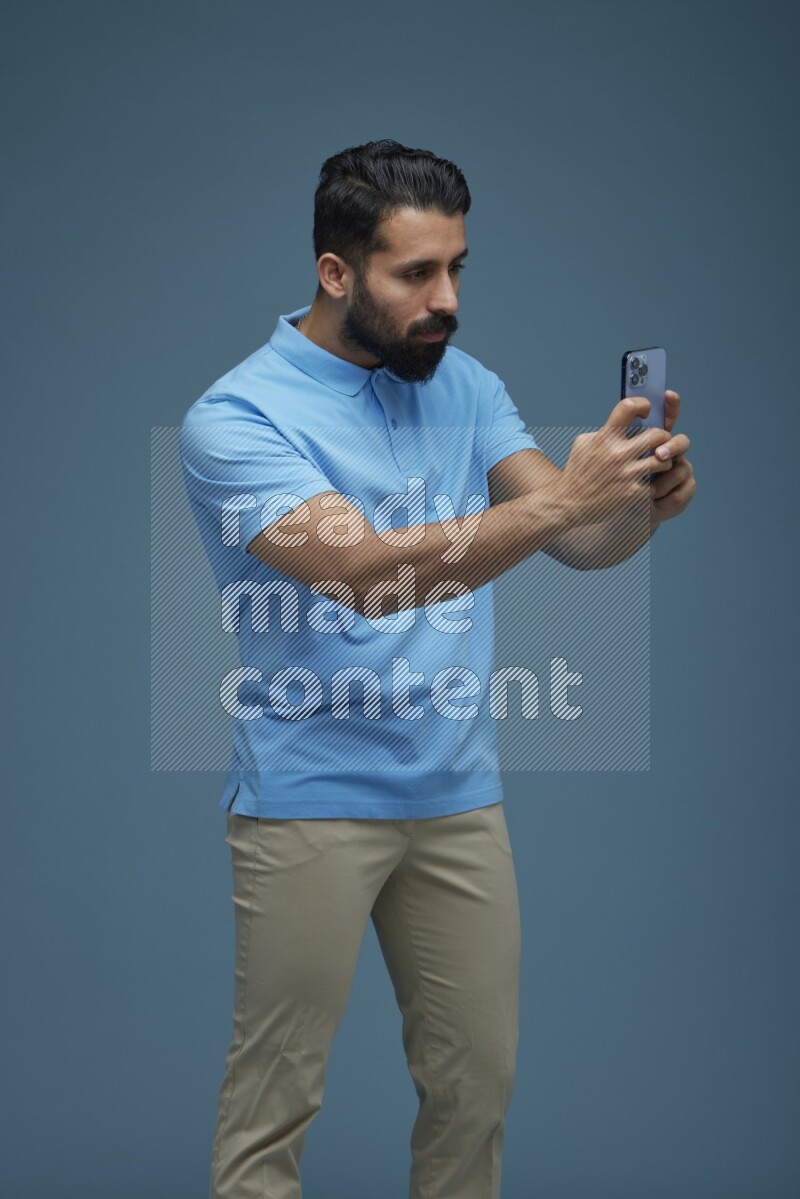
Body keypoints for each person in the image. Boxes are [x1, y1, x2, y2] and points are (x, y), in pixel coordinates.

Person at [180, 138, 695, 1199]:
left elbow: (573, 544)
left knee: (475, 1089)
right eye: (415, 273)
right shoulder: (235, 419)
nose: (445, 297)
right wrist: (559, 500)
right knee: (273, 1104)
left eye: (455, 267)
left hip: (458, 794)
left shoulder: (462, 382)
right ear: (336, 273)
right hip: (307, 797)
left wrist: (631, 508)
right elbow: (362, 574)